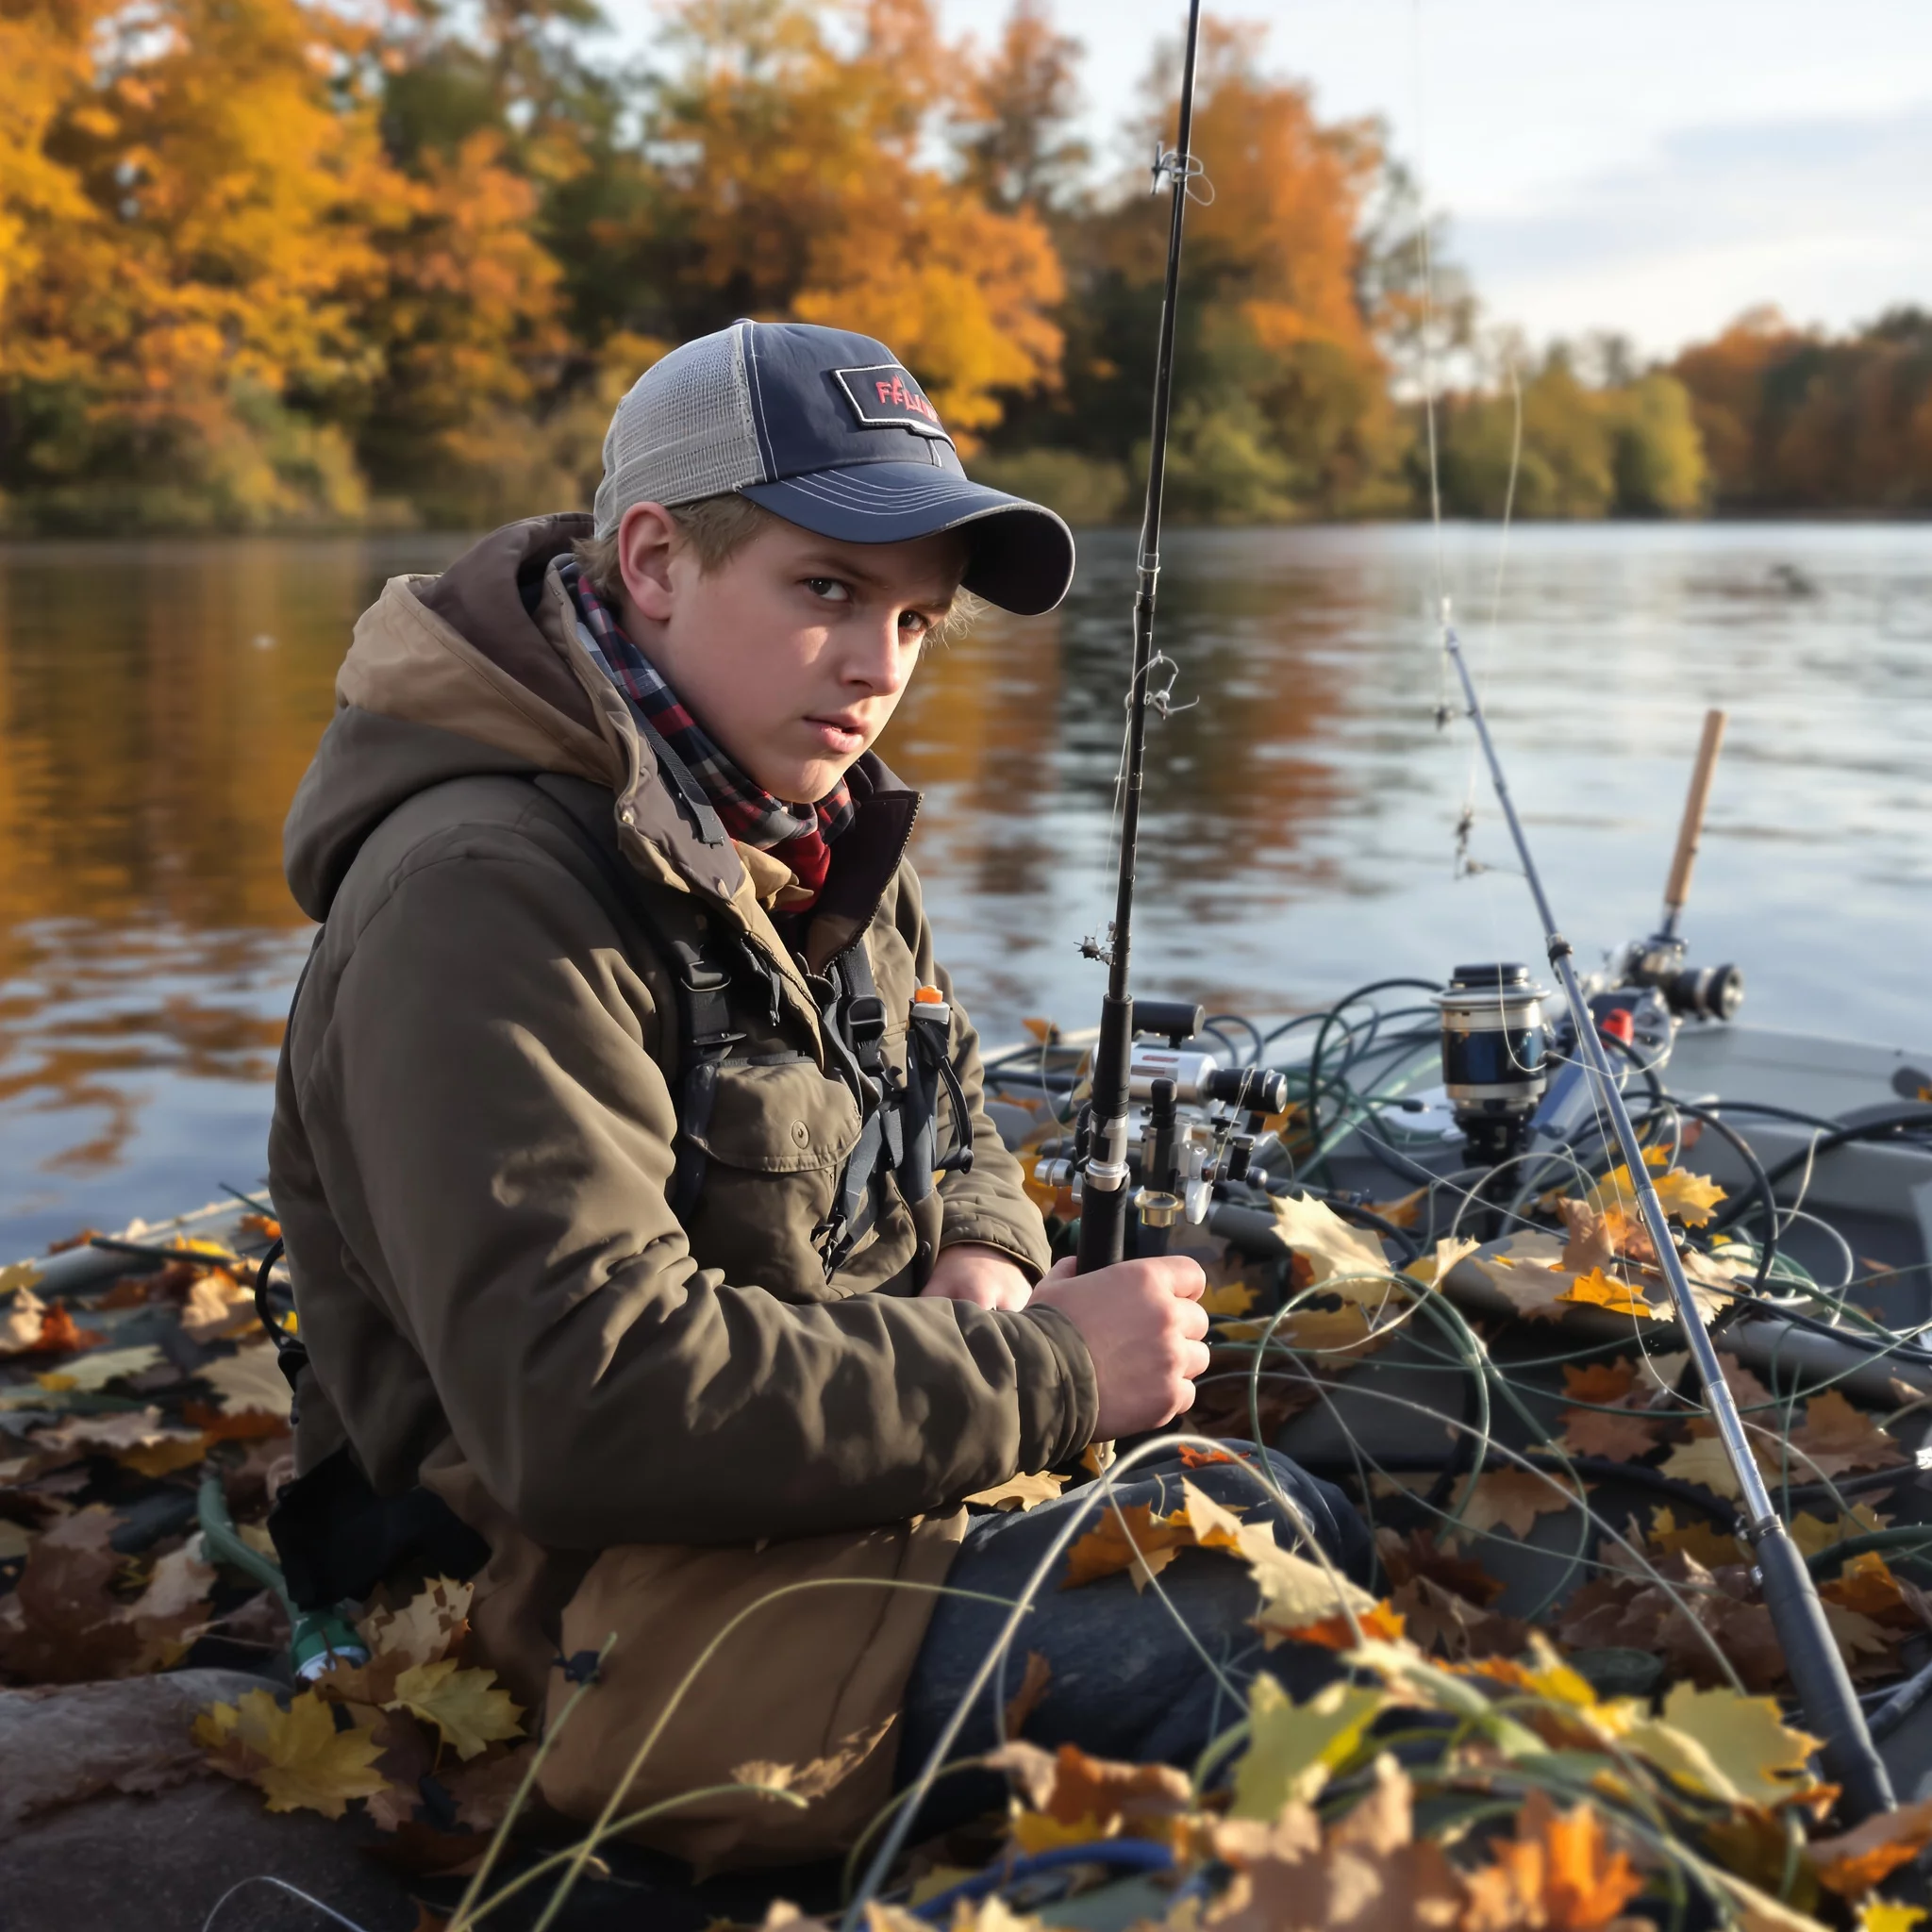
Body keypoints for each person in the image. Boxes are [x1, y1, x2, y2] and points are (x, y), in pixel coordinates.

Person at [267, 319, 1365, 1872]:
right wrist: (1048, 1376)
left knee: (1290, 1520)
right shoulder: (479, 898)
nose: (876, 669)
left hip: (840, 1492)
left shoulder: (799, 814)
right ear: (652, 560)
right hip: (570, 1601)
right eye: (829, 592)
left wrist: (983, 1246)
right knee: (1231, 1644)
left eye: (916, 621)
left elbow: (952, 1097)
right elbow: (582, 1408)